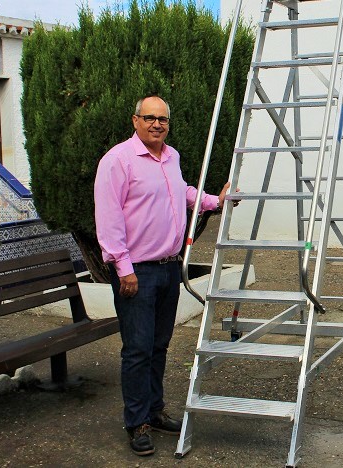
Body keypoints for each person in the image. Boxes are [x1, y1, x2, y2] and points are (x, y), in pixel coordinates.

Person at [94, 95, 230, 456]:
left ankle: (154, 412)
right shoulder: (118, 160)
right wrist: (123, 268)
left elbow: (182, 193)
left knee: (158, 346)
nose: (157, 124)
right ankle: (136, 422)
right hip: (136, 272)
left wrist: (216, 201)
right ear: (135, 120)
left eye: (163, 119)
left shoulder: (171, 157)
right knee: (138, 349)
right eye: (150, 118)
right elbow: (108, 218)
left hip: (169, 268)